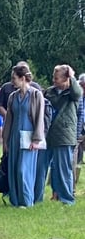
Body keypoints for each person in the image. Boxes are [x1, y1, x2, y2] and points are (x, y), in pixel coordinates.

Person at [1, 64, 45, 208]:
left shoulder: (36, 95)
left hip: (29, 137)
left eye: (14, 78)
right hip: (14, 136)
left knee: (23, 169)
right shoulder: (13, 96)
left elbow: (39, 118)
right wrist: (5, 140)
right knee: (14, 169)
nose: (12, 81)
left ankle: (27, 200)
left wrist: (37, 139)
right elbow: (8, 120)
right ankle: (15, 200)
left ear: (23, 78)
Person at [44, 64, 82, 204]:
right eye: (53, 77)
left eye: (57, 78)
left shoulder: (72, 93)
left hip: (64, 135)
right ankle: (54, 195)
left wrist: (71, 77)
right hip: (48, 134)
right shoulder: (49, 92)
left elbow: (77, 93)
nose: (54, 80)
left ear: (66, 78)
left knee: (63, 169)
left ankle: (67, 198)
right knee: (49, 168)